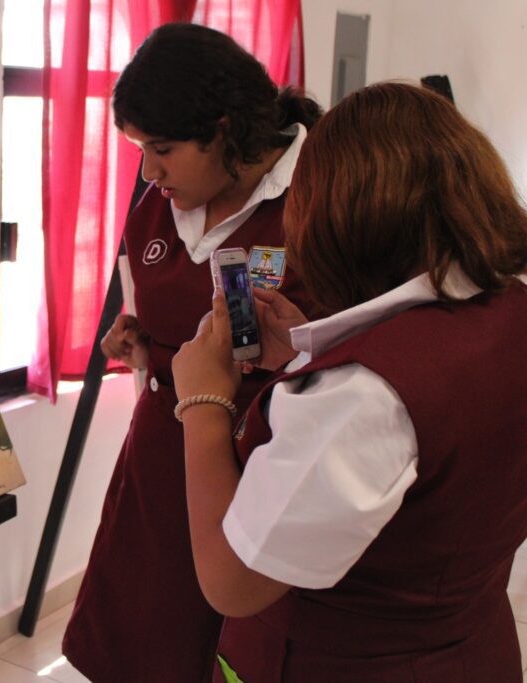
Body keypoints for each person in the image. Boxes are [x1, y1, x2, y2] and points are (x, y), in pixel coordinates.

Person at [171, 81, 527, 681]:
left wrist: (201, 402)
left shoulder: (365, 397)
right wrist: (317, 345)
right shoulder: (511, 310)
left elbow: (233, 583)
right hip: (472, 646)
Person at [61, 23, 321, 682]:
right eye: (140, 149)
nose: (149, 171)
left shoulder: (321, 196)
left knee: (232, 647)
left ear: (225, 130)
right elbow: (167, 315)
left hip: (262, 468)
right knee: (140, 644)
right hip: (161, 459)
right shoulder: (160, 203)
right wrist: (139, 340)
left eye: (163, 149)